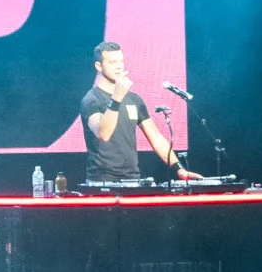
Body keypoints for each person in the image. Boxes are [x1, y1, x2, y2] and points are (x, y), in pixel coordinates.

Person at [81, 43, 198, 184]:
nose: (119, 67)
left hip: (132, 178)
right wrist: (117, 97)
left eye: (121, 61)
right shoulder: (91, 99)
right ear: (99, 66)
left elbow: (155, 136)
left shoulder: (134, 99)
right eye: (112, 62)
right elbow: (103, 134)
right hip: (102, 181)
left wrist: (179, 169)